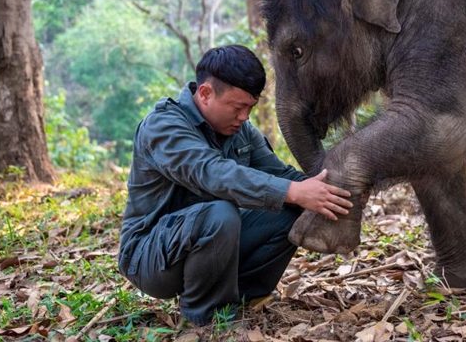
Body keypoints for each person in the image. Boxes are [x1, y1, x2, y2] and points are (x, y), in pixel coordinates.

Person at [118, 44, 353, 325]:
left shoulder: (241, 131)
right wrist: (293, 191)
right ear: (205, 93)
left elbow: (279, 174)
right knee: (222, 213)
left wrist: (329, 191)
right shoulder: (163, 125)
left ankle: (243, 296)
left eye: (250, 108)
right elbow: (211, 173)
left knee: (290, 206)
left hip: (208, 242)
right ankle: (205, 317)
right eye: (237, 107)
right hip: (150, 257)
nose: (244, 117)